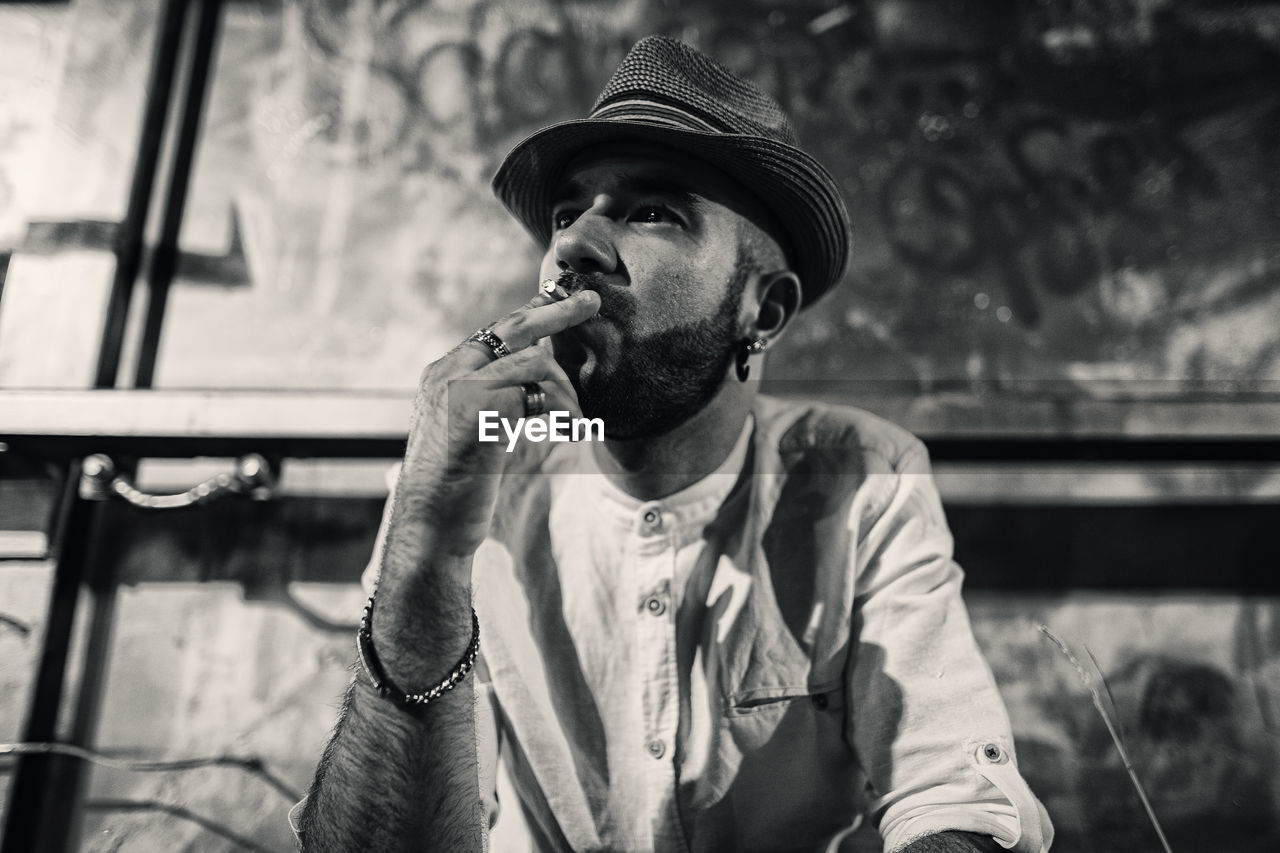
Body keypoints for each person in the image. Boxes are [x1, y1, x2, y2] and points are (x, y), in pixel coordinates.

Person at [297, 36, 1053, 853]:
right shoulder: (465, 480)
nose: (573, 247)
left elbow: (954, 801)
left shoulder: (860, 476)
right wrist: (429, 552)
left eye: (651, 211)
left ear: (761, 313)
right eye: (566, 213)